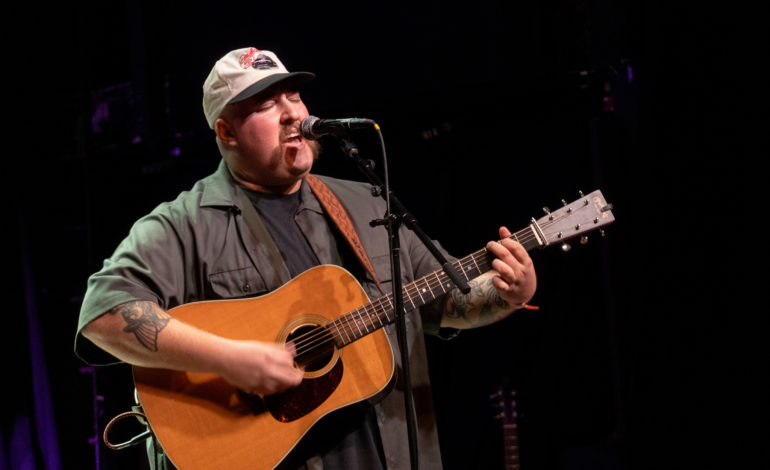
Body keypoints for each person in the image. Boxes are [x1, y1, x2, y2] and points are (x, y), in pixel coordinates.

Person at [75, 46, 537, 469]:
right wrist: (231, 359)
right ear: (226, 132)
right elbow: (104, 315)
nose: (293, 113)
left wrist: (506, 293)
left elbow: (447, 302)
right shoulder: (184, 224)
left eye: (294, 96)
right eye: (266, 105)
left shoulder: (368, 203)